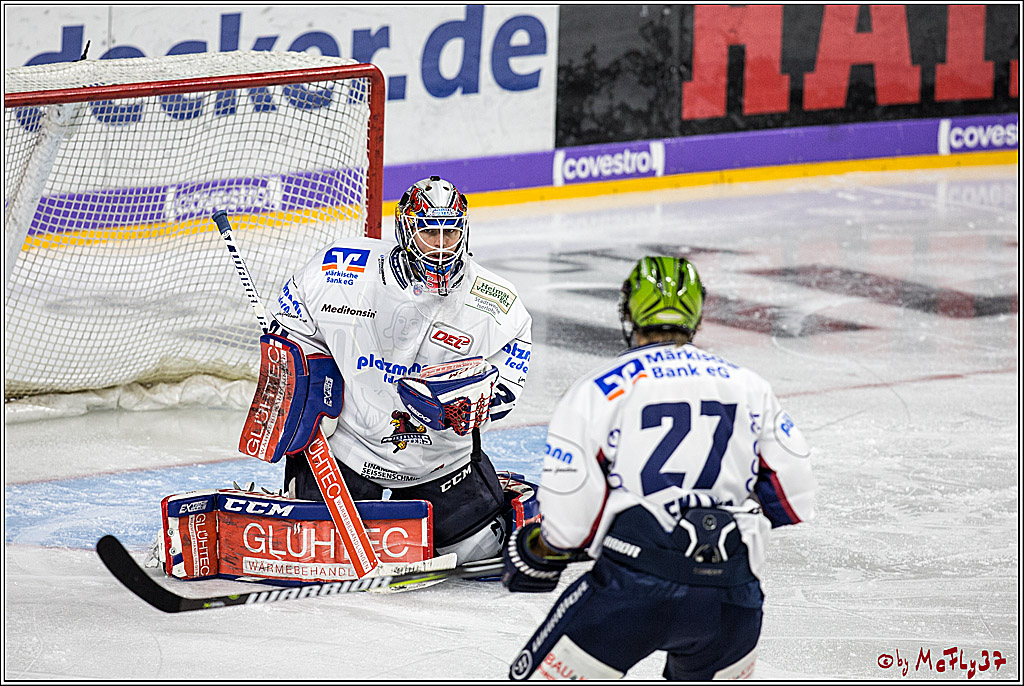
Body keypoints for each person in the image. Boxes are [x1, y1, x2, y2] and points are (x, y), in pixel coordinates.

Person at [502, 256, 816, 680]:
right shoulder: (749, 386)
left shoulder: (598, 389)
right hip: (731, 600)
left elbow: (568, 526)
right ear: (697, 313)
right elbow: (795, 497)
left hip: (632, 592)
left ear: (629, 311)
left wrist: (536, 552)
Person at [266, 176, 532, 564]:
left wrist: (481, 404)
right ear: (406, 229)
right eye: (429, 232)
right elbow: (289, 323)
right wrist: (308, 388)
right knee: (318, 556)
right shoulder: (341, 270)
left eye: (450, 233)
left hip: (440, 460)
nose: (441, 246)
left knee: (480, 554)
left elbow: (509, 372)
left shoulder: (496, 302)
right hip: (347, 452)